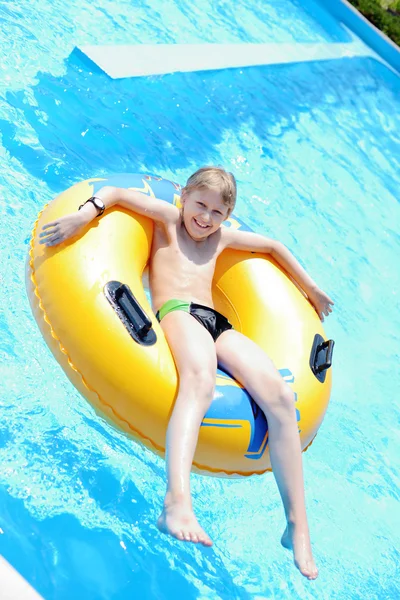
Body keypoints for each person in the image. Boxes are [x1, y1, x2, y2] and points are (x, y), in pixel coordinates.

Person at [40, 166, 334, 580]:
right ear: (185, 198)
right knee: (198, 379)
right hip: (178, 312)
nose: (206, 218)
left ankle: (297, 528)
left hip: (218, 323)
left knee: (283, 400)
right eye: (200, 205)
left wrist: (311, 287)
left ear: (226, 215)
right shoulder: (166, 219)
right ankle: (176, 502)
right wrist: (84, 213)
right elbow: (118, 195)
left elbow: (272, 246)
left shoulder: (222, 238)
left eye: (217, 212)